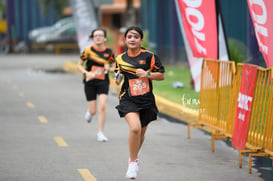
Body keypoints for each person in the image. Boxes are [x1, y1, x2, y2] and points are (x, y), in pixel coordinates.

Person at [114, 26, 165, 179]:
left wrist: (147, 74)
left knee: (141, 134)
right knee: (135, 128)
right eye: (129, 36)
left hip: (146, 100)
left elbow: (161, 75)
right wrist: (118, 78)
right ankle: (133, 163)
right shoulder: (120, 58)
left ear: (141, 40)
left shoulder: (150, 56)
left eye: (136, 37)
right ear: (125, 39)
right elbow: (119, 74)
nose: (132, 39)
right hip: (128, 98)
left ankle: (133, 158)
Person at [77, 28, 115, 142]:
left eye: (100, 35)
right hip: (90, 81)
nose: (98, 37)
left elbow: (114, 67)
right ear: (93, 38)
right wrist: (86, 73)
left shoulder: (109, 52)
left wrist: (110, 68)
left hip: (103, 80)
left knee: (102, 106)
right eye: (96, 35)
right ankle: (90, 112)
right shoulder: (87, 51)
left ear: (105, 38)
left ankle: (100, 133)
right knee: (93, 110)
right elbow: (79, 65)